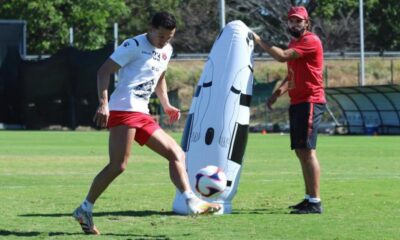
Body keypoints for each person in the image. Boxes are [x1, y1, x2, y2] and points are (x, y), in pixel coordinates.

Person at [72, 11, 221, 235]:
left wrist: (167, 104)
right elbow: (103, 72)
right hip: (123, 109)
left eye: (169, 37)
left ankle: (192, 201)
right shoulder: (132, 45)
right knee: (118, 165)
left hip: (143, 113)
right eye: (161, 36)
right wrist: (104, 104)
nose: (164, 41)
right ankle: (85, 208)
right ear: (150, 28)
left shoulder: (167, 50)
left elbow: (159, 77)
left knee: (176, 154)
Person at [253, 6, 325, 214]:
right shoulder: (296, 42)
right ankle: (308, 198)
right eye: (291, 21)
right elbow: (292, 71)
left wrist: (259, 41)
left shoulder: (310, 41)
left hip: (310, 101)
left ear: (306, 22)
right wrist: (279, 92)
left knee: (308, 152)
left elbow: (282, 56)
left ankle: (315, 202)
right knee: (301, 151)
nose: (294, 24)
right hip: (297, 102)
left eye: (298, 21)